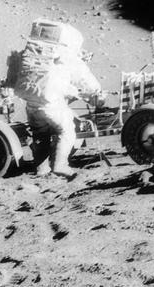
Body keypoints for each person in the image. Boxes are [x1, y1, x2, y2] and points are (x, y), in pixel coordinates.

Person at [8, 20, 103, 179]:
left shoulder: (30, 53)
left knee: (40, 134)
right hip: (52, 104)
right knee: (66, 131)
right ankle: (60, 165)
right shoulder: (65, 56)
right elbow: (85, 80)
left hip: (31, 105)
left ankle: (41, 169)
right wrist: (97, 93)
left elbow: (12, 76)